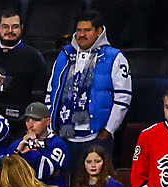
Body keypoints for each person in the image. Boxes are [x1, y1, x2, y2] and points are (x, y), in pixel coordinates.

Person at [44, 10, 131, 158]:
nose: (82, 35)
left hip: (97, 137)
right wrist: (52, 128)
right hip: (65, 136)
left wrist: (109, 129)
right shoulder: (64, 55)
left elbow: (123, 98)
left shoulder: (114, 57)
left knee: (95, 181)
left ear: (99, 31)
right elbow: (51, 92)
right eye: (79, 30)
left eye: (87, 30)